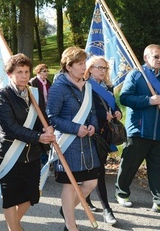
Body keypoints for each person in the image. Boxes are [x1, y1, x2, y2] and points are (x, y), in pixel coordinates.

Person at [115, 44, 160, 215]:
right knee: (130, 165)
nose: (159, 60)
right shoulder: (136, 75)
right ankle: (121, 193)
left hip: (158, 132)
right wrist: (148, 100)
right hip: (138, 130)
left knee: (158, 168)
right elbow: (125, 98)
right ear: (146, 58)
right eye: (155, 56)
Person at [0, 54, 55, 231]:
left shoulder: (34, 93)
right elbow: (9, 127)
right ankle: (14, 228)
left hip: (32, 154)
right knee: (11, 196)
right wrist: (38, 137)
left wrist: (46, 128)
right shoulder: (3, 95)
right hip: (10, 153)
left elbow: (41, 116)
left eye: (26, 71)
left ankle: (13, 225)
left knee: (31, 195)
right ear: (10, 74)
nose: (24, 75)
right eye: (19, 72)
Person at [46, 46, 100, 231]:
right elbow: (51, 117)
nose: (83, 67)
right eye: (79, 64)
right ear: (68, 66)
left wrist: (93, 125)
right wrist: (76, 128)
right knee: (69, 185)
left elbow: (92, 112)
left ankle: (66, 209)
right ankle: (70, 225)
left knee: (91, 182)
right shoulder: (58, 88)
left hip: (86, 141)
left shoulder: (87, 86)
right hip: (67, 143)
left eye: (84, 63)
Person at [83, 56, 122, 225]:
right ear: (90, 69)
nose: (103, 71)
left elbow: (114, 105)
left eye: (105, 68)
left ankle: (86, 199)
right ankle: (107, 209)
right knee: (98, 171)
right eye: (99, 67)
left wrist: (118, 111)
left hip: (106, 134)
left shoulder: (108, 87)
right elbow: (84, 110)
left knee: (96, 169)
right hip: (92, 133)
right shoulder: (85, 86)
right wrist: (100, 115)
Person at [29, 63, 52, 165]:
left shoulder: (48, 83)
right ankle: (42, 158)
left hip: (47, 110)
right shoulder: (33, 82)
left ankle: (47, 158)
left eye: (47, 71)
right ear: (38, 72)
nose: (46, 73)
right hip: (38, 111)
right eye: (44, 71)